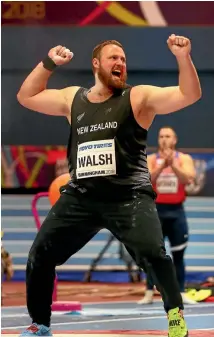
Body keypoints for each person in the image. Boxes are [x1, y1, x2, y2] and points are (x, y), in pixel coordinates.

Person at [17, 34, 201, 337]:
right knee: (40, 254)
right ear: (96, 64)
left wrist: (183, 57)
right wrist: (49, 63)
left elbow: (189, 94)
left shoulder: (137, 97)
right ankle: (40, 324)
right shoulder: (72, 98)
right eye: (114, 58)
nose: (121, 63)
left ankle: (175, 315)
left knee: (155, 254)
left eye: (124, 59)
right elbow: (26, 96)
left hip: (129, 197)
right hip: (82, 197)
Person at [137, 127, 197, 306]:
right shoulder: (151, 159)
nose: (164, 139)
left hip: (176, 212)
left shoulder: (184, 159)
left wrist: (174, 166)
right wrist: (162, 166)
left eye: (168, 136)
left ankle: (181, 291)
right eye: (161, 136)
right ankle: (149, 292)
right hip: (155, 211)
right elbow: (145, 180)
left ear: (175, 139)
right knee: (153, 254)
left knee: (178, 254)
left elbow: (188, 179)